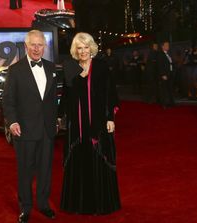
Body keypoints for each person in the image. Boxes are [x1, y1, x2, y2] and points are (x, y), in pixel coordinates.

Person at [59, 32, 121, 215]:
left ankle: (101, 204)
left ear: (91, 48)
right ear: (75, 50)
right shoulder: (71, 68)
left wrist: (110, 118)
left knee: (98, 158)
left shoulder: (101, 67)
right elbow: (66, 96)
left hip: (98, 124)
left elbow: (110, 93)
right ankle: (78, 205)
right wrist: (59, 115)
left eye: (86, 47)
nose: (83, 51)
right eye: (79, 48)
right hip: (77, 126)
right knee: (79, 160)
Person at [2, 30, 58, 223]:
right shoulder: (15, 70)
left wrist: (56, 119)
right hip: (24, 129)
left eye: (40, 45)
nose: (36, 48)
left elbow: (51, 100)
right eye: (32, 45)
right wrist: (13, 121)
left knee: (45, 170)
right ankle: (25, 207)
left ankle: (43, 204)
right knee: (25, 171)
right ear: (26, 47)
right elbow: (8, 101)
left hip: (47, 130)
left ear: (45, 46)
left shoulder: (51, 67)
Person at [157, 41, 175, 108]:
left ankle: (171, 103)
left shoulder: (168, 54)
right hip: (164, 75)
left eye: (168, 45)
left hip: (170, 74)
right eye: (166, 45)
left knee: (170, 89)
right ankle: (164, 104)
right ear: (162, 46)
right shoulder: (160, 54)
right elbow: (160, 65)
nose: (168, 46)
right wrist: (163, 74)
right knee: (164, 90)